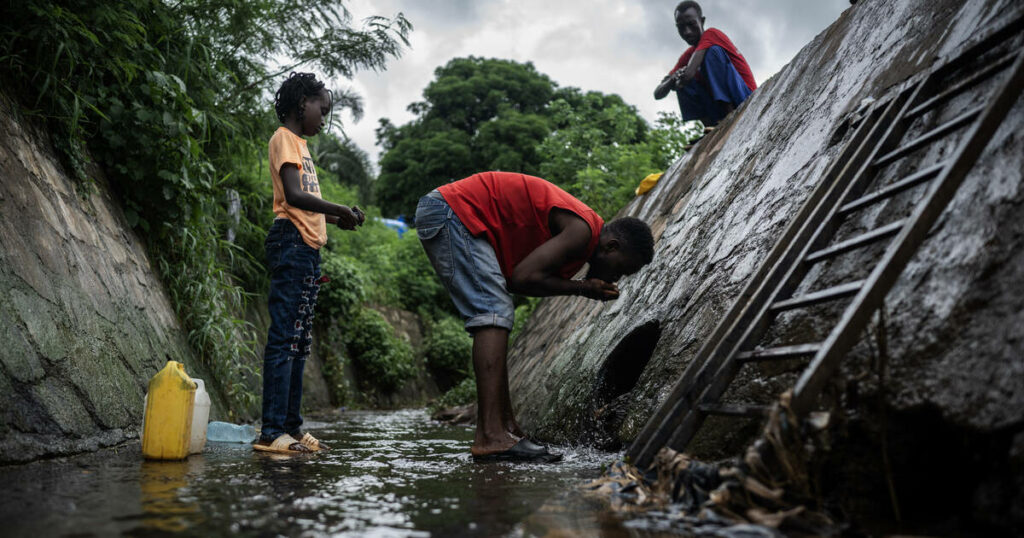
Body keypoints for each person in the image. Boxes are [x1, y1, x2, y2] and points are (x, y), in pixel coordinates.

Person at [415, 172, 655, 462]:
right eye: (621, 269)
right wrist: (583, 288)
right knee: (492, 311)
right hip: (453, 212)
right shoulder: (582, 232)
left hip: (452, 213)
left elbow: (519, 282)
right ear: (612, 246)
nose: (616, 277)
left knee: (497, 311)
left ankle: (506, 429)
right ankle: (491, 437)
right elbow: (523, 277)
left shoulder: (584, 233)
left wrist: (582, 288)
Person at [254, 72, 365, 455]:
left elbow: (305, 203)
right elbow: (293, 196)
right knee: (285, 338)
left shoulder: (301, 146)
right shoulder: (284, 139)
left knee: (299, 342)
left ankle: (292, 428)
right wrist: (338, 208)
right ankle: (271, 432)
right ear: (303, 103)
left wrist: (339, 219)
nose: (325, 117)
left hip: (307, 247)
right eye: (323, 108)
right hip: (291, 245)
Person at [654, 1, 757, 126]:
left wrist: (679, 78)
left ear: (702, 21)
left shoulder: (711, 34)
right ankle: (710, 126)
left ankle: (729, 115)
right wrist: (672, 80)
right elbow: (657, 93)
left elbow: (688, 75)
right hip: (717, 110)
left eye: (691, 24)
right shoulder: (689, 55)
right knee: (678, 80)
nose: (687, 32)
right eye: (681, 27)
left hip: (744, 96)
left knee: (712, 52)